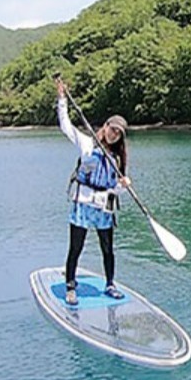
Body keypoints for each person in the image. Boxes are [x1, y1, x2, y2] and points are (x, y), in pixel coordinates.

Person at [56, 77, 132, 306]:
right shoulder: (87, 144)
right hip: (82, 203)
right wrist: (62, 100)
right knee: (76, 247)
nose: (113, 134)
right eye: (112, 129)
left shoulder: (117, 157)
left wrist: (123, 186)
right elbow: (65, 126)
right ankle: (71, 285)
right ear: (105, 127)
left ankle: (110, 284)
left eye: (118, 133)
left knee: (108, 249)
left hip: (103, 207)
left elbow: (114, 189)